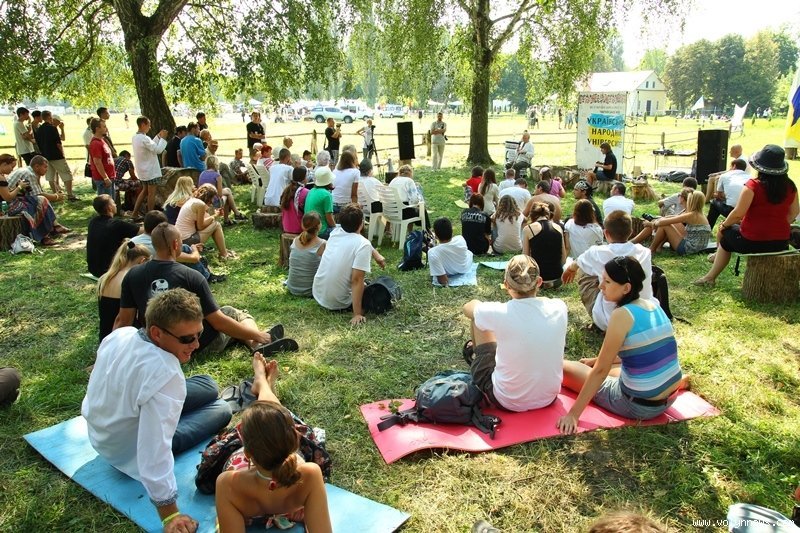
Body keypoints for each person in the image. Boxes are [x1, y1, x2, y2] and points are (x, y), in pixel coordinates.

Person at [83, 288, 233, 532]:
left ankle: (198, 398)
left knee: (208, 384)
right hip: (127, 450)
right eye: (187, 339)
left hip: (100, 434)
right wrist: (170, 515)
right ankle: (228, 402)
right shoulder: (165, 372)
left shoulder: (120, 334)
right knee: (222, 409)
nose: (196, 345)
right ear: (156, 333)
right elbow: (154, 450)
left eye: (199, 334)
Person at [115, 223, 289, 356]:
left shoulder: (133, 275)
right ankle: (258, 342)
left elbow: (124, 321)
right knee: (233, 313)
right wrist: (258, 334)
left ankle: (256, 342)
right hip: (193, 345)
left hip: (156, 343)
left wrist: (113, 352)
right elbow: (218, 321)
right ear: (176, 244)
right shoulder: (191, 276)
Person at [557, 257, 685, 433]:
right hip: (670, 397)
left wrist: (573, 414)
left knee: (563, 368)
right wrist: (595, 360)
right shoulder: (652, 305)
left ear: (626, 288)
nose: (601, 286)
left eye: (607, 282)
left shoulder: (621, 315)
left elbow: (600, 371)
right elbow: (640, 350)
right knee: (611, 369)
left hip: (639, 407)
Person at [215, 356, 331, 533]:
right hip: (280, 464)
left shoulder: (227, 485)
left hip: (247, 472)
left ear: (246, 452)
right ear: (296, 440)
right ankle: (264, 385)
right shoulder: (310, 474)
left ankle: (262, 382)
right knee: (273, 419)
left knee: (266, 420)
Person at [462, 255, 567, 411]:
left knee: (478, 318)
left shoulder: (499, 312)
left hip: (507, 401)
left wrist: (479, 306)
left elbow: (468, 308)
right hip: (548, 398)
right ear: (539, 282)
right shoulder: (560, 307)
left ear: (506, 285)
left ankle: (480, 362)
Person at [694, 145, 799, 287]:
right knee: (729, 232)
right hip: (780, 243)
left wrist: (724, 225)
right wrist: (777, 225)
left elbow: (738, 214)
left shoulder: (753, 185)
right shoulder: (791, 187)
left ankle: (710, 277)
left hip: (751, 241)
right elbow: (794, 212)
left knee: (725, 238)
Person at [562, 211, 657, 331]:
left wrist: (570, 270)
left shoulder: (596, 253)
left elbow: (577, 263)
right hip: (646, 317)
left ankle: (601, 315)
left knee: (584, 271)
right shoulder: (645, 252)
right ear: (631, 232)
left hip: (610, 321)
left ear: (605, 233)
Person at [312, 204, 386, 325]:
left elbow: (358, 237)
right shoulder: (362, 244)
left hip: (319, 294)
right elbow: (357, 280)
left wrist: (376, 254)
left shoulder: (335, 232)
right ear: (361, 223)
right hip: (339, 302)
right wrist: (357, 314)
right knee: (377, 291)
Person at [131, 210, 223, 284]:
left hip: (134, 276)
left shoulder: (133, 240)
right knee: (186, 248)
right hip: (153, 278)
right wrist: (194, 249)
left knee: (185, 248)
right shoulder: (159, 247)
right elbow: (193, 259)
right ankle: (207, 277)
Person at [0, 154, 65, 246]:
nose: (12, 170)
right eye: (11, 167)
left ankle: (50, 231)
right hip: (6, 206)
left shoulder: (20, 172)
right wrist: (19, 187)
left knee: (39, 201)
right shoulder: (27, 174)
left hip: (8, 202)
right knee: (35, 204)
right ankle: (46, 234)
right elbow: (8, 197)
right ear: (4, 164)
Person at [97, 240, 151, 342]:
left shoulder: (105, 278)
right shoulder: (132, 279)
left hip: (105, 336)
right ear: (143, 261)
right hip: (123, 337)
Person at [635, 190, 711, 255]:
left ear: (691, 202)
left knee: (665, 225)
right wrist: (657, 221)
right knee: (665, 222)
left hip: (688, 249)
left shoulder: (691, 215)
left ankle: (651, 249)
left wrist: (652, 224)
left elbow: (662, 223)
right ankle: (650, 246)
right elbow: (673, 217)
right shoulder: (699, 214)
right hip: (697, 247)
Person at [175, 184, 236, 260]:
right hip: (187, 241)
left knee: (213, 224)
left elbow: (205, 220)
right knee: (216, 225)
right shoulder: (200, 205)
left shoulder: (192, 200)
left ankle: (224, 252)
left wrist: (214, 215)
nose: (213, 201)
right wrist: (215, 216)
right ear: (209, 197)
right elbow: (200, 226)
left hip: (180, 240)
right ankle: (224, 254)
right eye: (213, 198)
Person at [86, 195, 141, 277]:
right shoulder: (116, 224)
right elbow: (143, 231)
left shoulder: (93, 222)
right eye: (113, 203)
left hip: (93, 269)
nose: (115, 205)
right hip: (110, 270)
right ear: (109, 208)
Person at [130, 116, 169, 216]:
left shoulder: (136, 137)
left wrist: (158, 137)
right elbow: (158, 150)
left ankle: (135, 213)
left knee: (144, 191)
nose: (150, 127)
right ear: (143, 125)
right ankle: (150, 216)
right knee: (151, 193)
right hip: (150, 171)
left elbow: (151, 145)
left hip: (143, 171)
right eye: (148, 125)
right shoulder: (144, 138)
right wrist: (163, 138)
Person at [522, 202, 565, 289]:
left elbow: (525, 257)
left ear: (532, 215)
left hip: (536, 280)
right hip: (557, 279)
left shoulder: (528, 229)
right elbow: (563, 258)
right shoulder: (558, 228)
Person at [34, 111, 75, 199]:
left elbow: (38, 144)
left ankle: (55, 194)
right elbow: (58, 143)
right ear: (49, 117)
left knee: (50, 176)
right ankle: (70, 194)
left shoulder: (39, 130)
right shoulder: (52, 128)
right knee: (66, 174)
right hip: (56, 155)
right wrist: (62, 153)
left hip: (45, 156)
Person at [287, 213, 326, 297]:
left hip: (292, 288)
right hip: (311, 290)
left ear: (302, 225)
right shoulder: (322, 244)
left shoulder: (295, 240)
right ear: (319, 226)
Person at [199, 156, 245, 225]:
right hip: (213, 202)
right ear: (216, 164)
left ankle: (234, 215)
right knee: (228, 195)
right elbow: (220, 194)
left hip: (203, 201)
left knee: (227, 191)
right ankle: (233, 216)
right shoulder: (217, 175)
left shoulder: (202, 173)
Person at [428, 217, 473, 287]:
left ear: (436, 235)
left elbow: (443, 281)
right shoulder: (460, 239)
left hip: (455, 270)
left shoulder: (432, 253)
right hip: (466, 267)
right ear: (452, 231)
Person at [707, 159, 749, 228]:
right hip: (747, 212)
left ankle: (708, 228)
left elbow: (719, 195)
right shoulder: (750, 177)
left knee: (714, 202)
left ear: (734, 166)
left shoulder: (724, 175)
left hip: (733, 211)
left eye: (730, 166)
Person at [304, 167, 336, 239]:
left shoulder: (311, 191)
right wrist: (335, 228)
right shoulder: (327, 195)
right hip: (320, 231)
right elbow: (329, 218)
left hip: (308, 229)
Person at [88, 118, 116, 197]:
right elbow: (97, 162)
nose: (106, 129)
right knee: (106, 202)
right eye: (104, 127)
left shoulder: (102, 140)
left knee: (111, 200)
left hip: (110, 176)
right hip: (103, 179)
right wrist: (105, 178)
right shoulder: (96, 143)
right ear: (97, 129)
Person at [280, 167, 309, 235]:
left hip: (286, 227)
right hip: (299, 228)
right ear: (304, 178)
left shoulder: (287, 190)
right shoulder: (305, 192)